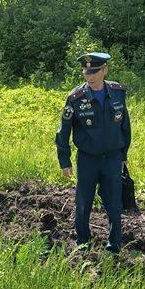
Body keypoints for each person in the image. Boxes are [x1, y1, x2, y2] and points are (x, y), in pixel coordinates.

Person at [55, 52, 131, 254]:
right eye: (86, 72)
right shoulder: (75, 98)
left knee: (114, 204)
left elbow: (125, 126)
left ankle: (113, 247)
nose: (90, 76)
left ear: (105, 70)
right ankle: (82, 242)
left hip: (113, 158)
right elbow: (64, 131)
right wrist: (65, 160)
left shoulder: (117, 93)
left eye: (95, 71)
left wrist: (124, 155)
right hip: (88, 159)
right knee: (83, 203)